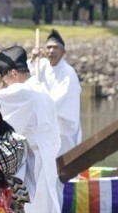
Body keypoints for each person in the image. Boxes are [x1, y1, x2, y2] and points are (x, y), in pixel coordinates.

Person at [0, 45, 62, 213]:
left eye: (4, 79)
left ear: (13, 73)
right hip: (46, 158)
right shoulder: (42, 89)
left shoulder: (23, 91)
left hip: (33, 161)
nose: (4, 83)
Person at [30, 29, 82, 157]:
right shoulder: (40, 65)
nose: (51, 51)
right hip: (44, 123)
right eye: (48, 47)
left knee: (59, 159)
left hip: (62, 127)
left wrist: (40, 104)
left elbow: (62, 98)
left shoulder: (68, 73)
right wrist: (33, 59)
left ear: (63, 52)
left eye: (55, 48)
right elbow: (25, 76)